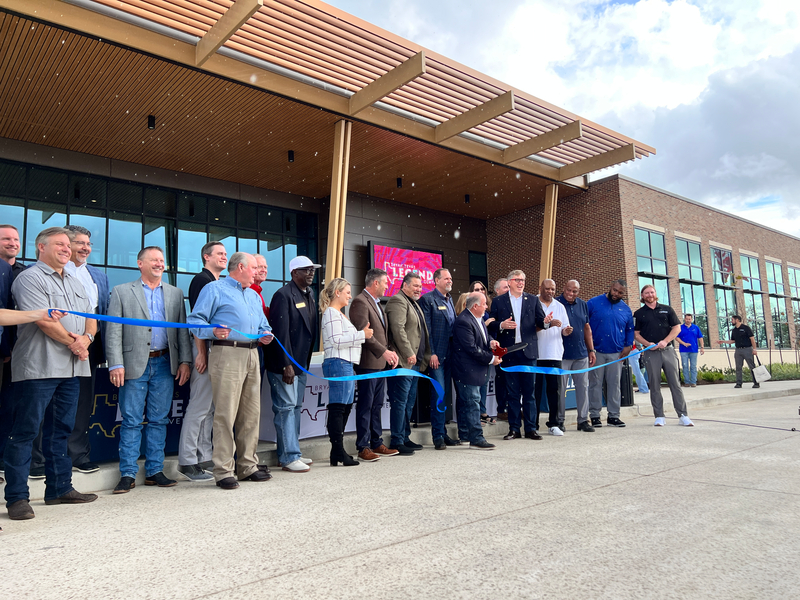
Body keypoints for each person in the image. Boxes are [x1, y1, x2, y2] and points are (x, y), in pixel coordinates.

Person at [5, 226, 98, 521]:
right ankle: (17, 498)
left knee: (61, 430)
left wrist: (88, 340)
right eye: (59, 244)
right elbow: (44, 321)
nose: (66, 249)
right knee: (26, 432)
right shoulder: (28, 278)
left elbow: (91, 318)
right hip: (39, 366)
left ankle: (59, 489)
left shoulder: (76, 280)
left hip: (72, 367)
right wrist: (76, 343)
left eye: (67, 246)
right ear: (40, 248)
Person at [106, 246, 193, 493]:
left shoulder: (176, 294)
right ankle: (128, 474)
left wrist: (185, 361)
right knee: (131, 420)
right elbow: (113, 331)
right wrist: (116, 363)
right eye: (153, 260)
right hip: (133, 364)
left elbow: (181, 331)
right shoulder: (122, 291)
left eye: (162, 260)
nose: (159, 264)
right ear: (139, 263)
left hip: (165, 363)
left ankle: (155, 471)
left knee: (159, 419)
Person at [189, 252, 274, 489]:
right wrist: (212, 332)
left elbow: (263, 325)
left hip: (252, 353)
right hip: (226, 353)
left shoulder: (254, 296)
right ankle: (223, 470)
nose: (258, 272)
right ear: (240, 267)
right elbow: (195, 321)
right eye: (255, 267)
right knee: (225, 413)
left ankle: (247, 466)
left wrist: (266, 334)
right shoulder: (214, 289)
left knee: (251, 413)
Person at [265, 256, 320, 473]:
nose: (310, 273)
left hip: (301, 364)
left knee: (295, 408)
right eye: (306, 270)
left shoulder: (309, 294)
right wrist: (285, 363)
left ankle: (291, 450)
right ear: (293, 273)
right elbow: (280, 333)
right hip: (285, 365)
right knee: (286, 409)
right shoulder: (283, 295)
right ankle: (289, 456)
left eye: (312, 270)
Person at [177, 241, 227, 481]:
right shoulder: (201, 281)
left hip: (215, 350)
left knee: (209, 409)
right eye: (219, 253)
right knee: (198, 408)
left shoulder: (218, 282)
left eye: (226, 254)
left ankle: (204, 456)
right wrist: (201, 353)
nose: (224, 257)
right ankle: (187, 461)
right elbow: (198, 321)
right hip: (204, 349)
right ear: (206, 257)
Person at [64, 225, 110, 475]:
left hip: (89, 348)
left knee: (83, 403)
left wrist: (88, 340)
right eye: (79, 243)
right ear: (65, 245)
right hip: (60, 344)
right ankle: (44, 458)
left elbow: (99, 313)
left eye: (88, 244)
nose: (85, 248)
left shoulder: (98, 276)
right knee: (51, 402)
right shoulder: (54, 272)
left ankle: (78, 455)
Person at [488, 269, 547, 441]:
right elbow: (491, 325)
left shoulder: (533, 300)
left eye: (523, 280)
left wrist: (546, 322)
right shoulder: (499, 301)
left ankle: (531, 428)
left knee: (529, 393)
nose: (521, 283)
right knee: (512, 393)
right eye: (517, 280)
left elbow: (540, 322)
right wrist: (501, 325)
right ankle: (514, 429)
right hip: (509, 353)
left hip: (528, 353)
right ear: (510, 282)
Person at [320, 278, 372, 466]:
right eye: (347, 292)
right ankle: (338, 450)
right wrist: (361, 335)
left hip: (345, 363)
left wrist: (360, 335)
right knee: (339, 407)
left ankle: (337, 451)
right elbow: (336, 340)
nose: (350, 295)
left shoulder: (339, 315)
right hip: (338, 362)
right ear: (337, 293)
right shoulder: (332, 314)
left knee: (345, 406)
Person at [349, 268, 400, 461]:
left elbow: (381, 335)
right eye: (386, 282)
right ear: (375, 283)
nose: (388, 286)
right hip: (368, 364)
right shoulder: (360, 302)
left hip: (380, 364)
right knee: (366, 405)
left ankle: (376, 442)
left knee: (377, 405)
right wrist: (384, 352)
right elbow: (364, 334)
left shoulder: (377, 304)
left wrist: (389, 351)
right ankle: (363, 447)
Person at [634, 284, 694, 427]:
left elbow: (677, 328)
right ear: (642, 296)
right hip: (651, 353)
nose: (649, 295)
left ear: (655, 293)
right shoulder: (638, 314)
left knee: (675, 384)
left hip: (668, 351)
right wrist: (648, 343)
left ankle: (683, 415)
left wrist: (665, 341)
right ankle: (659, 416)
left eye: (652, 292)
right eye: (646, 293)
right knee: (654, 385)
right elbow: (636, 334)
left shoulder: (667, 310)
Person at [385, 271, 430, 455]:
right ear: (404, 285)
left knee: (409, 402)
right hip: (404, 362)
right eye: (415, 285)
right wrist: (408, 352)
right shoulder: (398, 301)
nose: (419, 289)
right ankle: (397, 439)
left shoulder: (413, 303)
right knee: (400, 402)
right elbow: (398, 329)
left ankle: (404, 436)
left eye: (420, 286)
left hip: (415, 363)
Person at [451, 292, 501, 450]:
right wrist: (491, 359)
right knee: (472, 404)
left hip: (476, 369)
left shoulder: (477, 319)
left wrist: (491, 342)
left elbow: (481, 340)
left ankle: (466, 435)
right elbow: (471, 348)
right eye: (485, 304)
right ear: (475, 306)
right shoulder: (463, 321)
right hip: (467, 370)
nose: (487, 307)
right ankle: (476, 438)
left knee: (469, 403)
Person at [418, 268, 460, 449]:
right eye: (446, 278)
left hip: (451, 355)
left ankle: (443, 432)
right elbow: (426, 329)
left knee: (446, 395)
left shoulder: (450, 300)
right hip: (437, 356)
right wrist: (431, 353)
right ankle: (437, 437)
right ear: (436, 280)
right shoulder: (428, 300)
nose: (450, 280)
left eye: (451, 278)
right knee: (439, 394)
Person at [587, 280, 634, 428]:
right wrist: (589, 348)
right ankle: (595, 416)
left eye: (620, 293)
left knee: (614, 385)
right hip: (596, 352)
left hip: (617, 353)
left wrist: (628, 346)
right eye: (615, 290)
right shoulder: (593, 303)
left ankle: (614, 416)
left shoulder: (626, 309)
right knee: (595, 384)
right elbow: (584, 324)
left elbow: (630, 329)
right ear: (610, 288)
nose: (616, 294)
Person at [556, 280, 596, 433]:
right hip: (562, 354)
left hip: (581, 354)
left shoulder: (582, 304)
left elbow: (587, 327)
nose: (571, 294)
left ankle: (583, 420)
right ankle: (559, 421)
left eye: (575, 291)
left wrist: (591, 350)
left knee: (583, 388)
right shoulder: (556, 303)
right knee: (561, 389)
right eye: (569, 290)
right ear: (564, 288)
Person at [0, 224, 24, 473]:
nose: (12, 242)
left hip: (17, 354)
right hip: (4, 350)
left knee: (10, 407)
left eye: (15, 239)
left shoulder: (24, 272)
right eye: (6, 238)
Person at [534, 279, 569, 436]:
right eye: (547, 289)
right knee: (534, 391)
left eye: (553, 289)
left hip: (554, 353)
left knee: (554, 390)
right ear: (540, 288)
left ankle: (554, 423)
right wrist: (546, 324)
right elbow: (528, 327)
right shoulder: (532, 303)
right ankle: (532, 424)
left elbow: (564, 328)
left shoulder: (560, 306)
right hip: (535, 354)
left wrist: (566, 331)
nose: (550, 292)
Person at [719, 315, 759, 389]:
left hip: (747, 349)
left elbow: (752, 339)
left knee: (751, 366)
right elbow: (733, 340)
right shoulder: (734, 330)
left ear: (737, 320)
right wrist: (723, 341)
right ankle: (739, 383)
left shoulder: (746, 328)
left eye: (732, 320)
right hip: (738, 350)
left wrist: (754, 349)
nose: (731, 321)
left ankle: (756, 382)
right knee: (738, 367)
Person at [492, 277, 510, 421]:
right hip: (500, 348)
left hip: (514, 349)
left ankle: (513, 407)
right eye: (505, 287)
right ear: (497, 290)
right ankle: (502, 409)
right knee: (502, 380)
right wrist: (501, 325)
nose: (508, 290)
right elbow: (491, 324)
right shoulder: (496, 304)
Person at [677, 313, 704, 387]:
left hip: (694, 350)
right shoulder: (680, 327)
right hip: (683, 350)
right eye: (686, 319)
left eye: (689, 319)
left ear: (691, 319)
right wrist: (684, 343)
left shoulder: (696, 327)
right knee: (685, 366)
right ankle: (686, 382)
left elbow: (700, 337)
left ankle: (693, 382)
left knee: (693, 366)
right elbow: (676, 337)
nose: (688, 320)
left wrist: (702, 347)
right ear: (684, 319)